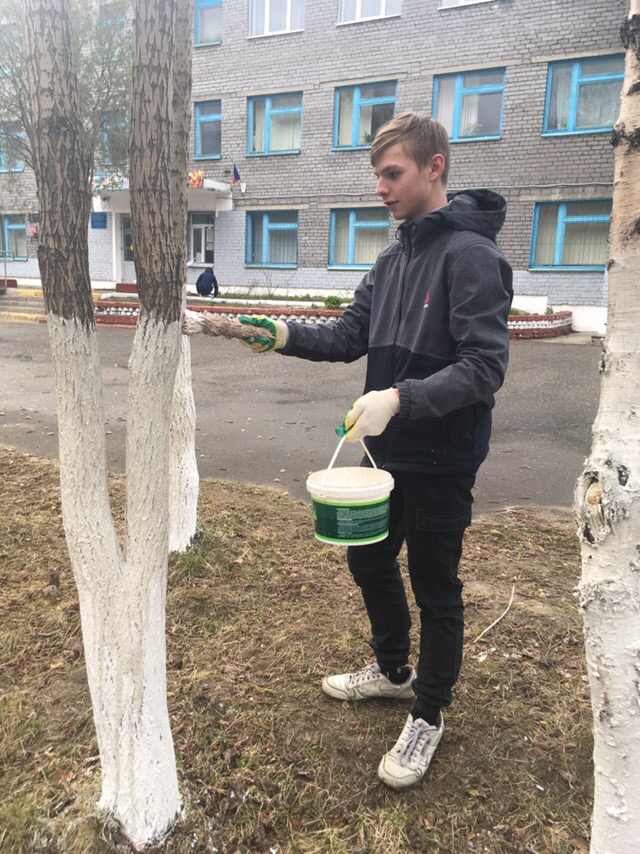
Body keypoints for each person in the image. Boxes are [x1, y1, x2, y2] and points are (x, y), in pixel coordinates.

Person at [186, 112, 513, 791]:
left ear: (435, 167)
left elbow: (484, 367)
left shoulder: (473, 257)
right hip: (386, 454)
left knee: (436, 585)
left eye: (392, 173)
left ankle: (429, 712)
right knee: (367, 558)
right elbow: (347, 335)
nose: (380, 188)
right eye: (377, 175)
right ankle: (394, 671)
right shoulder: (393, 259)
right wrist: (278, 334)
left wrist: (400, 398)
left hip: (444, 456)